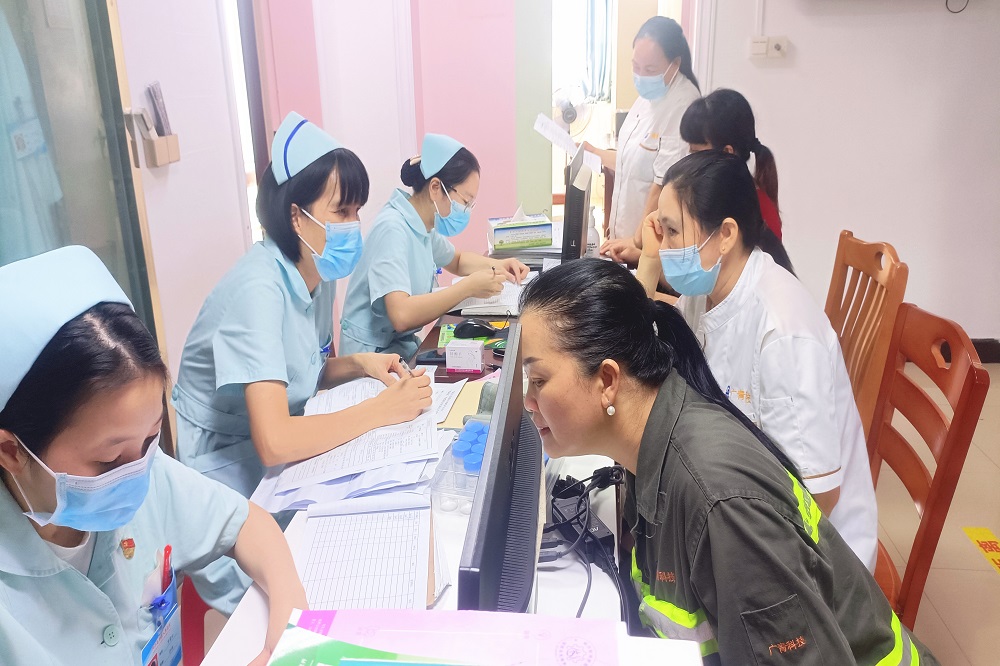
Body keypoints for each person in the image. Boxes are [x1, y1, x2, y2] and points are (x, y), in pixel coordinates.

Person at [518, 258, 937, 664]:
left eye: (538, 380)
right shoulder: (647, 439)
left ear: (608, 380)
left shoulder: (721, 504)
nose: (528, 401)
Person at [172, 113, 431, 610]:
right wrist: (381, 411)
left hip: (273, 444)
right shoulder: (258, 290)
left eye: (357, 211)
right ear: (297, 216)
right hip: (225, 465)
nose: (354, 226)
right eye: (341, 211)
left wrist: (361, 364)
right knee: (297, 590)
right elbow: (274, 442)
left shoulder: (315, 270)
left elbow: (301, 374)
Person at [0, 246, 306, 665]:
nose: (134, 473)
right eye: (107, 460)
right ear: (11, 451)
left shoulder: (146, 470)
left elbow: (248, 525)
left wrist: (288, 641)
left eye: (150, 439)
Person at [636, 150, 877, 570]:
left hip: (807, 555)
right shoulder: (707, 290)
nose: (665, 244)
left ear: (725, 235)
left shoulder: (783, 333)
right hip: (741, 501)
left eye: (672, 231)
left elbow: (817, 497)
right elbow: (649, 350)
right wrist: (650, 260)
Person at [340, 133, 529, 359]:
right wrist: (468, 287)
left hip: (397, 348)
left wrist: (500, 265)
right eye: (465, 201)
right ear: (436, 188)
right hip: (368, 357)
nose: (466, 210)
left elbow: (457, 261)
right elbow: (401, 315)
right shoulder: (393, 229)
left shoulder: (422, 225)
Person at [588, 16, 700, 265]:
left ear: (675, 64)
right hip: (624, 240)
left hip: (647, 246)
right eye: (635, 66)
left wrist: (637, 240)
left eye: (649, 69)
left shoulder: (682, 104)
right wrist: (593, 152)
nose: (640, 75)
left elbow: (663, 183)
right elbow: (632, 160)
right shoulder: (648, 97)